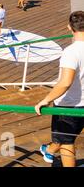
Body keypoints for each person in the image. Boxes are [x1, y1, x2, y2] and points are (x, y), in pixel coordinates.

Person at [35, 11, 84, 167]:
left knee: (66, 142)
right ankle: (49, 150)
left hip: (68, 107)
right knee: (65, 137)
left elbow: (65, 83)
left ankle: (50, 151)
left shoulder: (71, 52)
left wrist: (45, 100)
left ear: (69, 27)